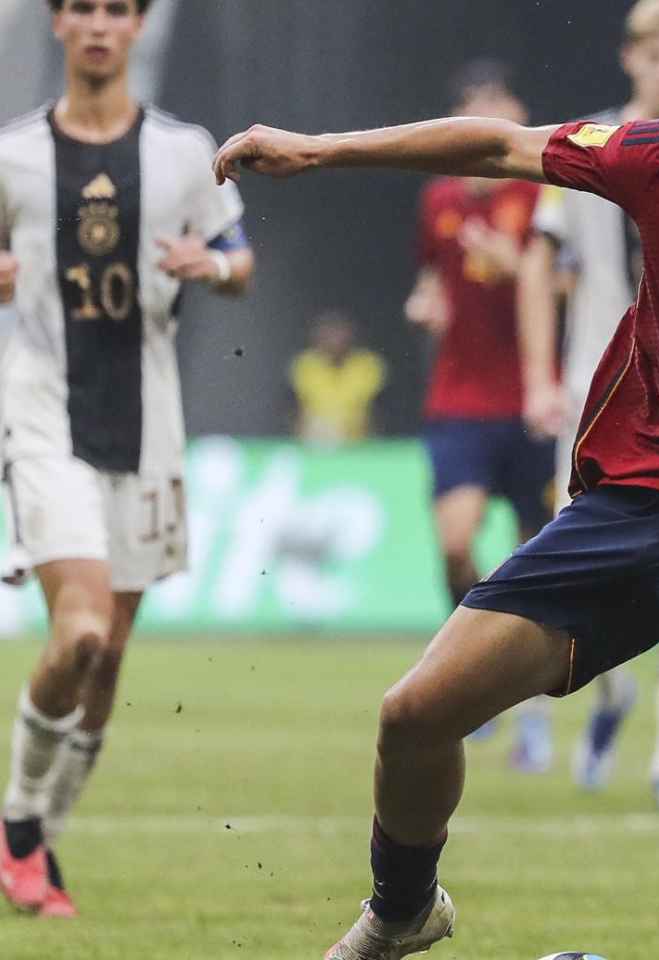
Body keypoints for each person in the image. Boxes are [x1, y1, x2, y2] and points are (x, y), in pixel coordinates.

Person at [214, 22, 659, 960]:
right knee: (414, 716)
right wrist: (324, 149)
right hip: (624, 501)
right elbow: (496, 146)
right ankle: (402, 910)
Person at [0, 0, 254, 918]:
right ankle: (19, 825)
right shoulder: (13, 154)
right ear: (60, 25)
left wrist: (211, 267)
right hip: (42, 416)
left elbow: (239, 256)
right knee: (82, 634)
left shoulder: (185, 151)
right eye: (83, 9)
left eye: (117, 9)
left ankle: (41, 846)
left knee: (106, 671)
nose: (100, 25)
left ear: (138, 26)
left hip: (148, 422)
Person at [517, 0, 659, 809]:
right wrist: (538, 375)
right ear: (631, 59)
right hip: (600, 397)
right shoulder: (585, 146)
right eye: (655, 55)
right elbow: (540, 264)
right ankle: (607, 697)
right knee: (585, 580)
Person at [404, 60, 560, 773]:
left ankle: (524, 700)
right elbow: (433, 276)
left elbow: (563, 286)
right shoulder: (438, 199)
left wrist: (522, 269)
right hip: (459, 401)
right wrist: (427, 300)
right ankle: (472, 669)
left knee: (542, 563)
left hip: (531, 402)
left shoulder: (540, 197)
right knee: (455, 544)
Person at [291, 309, 387, 446]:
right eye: (328, 334)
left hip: (359, 442)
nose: (334, 340)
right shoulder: (305, 365)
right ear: (317, 337)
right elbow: (294, 409)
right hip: (315, 442)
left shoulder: (367, 364)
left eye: (339, 334)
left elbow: (378, 410)